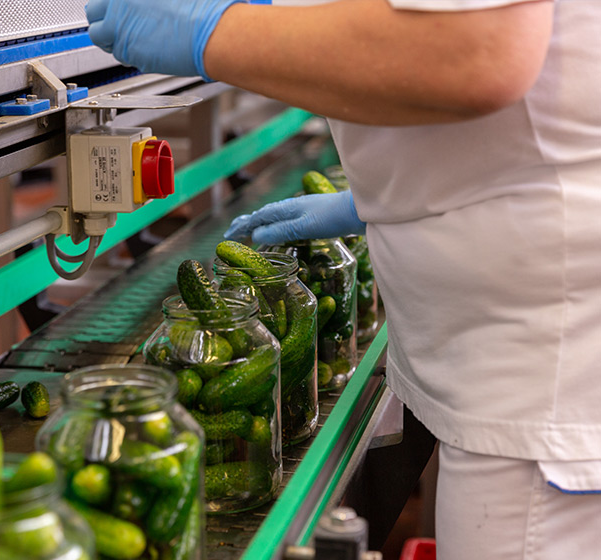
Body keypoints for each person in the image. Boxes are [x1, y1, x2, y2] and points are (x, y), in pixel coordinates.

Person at [83, 1, 601, 558]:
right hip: (519, 357)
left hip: (543, 388)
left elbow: (477, 52)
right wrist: (384, 196)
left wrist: (214, 32)